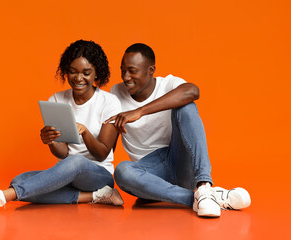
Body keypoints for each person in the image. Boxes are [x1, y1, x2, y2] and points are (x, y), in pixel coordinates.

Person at [0, 40, 124, 216]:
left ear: (97, 74)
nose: (78, 78)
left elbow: (102, 153)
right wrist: (51, 141)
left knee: (74, 163)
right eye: (73, 72)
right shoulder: (57, 100)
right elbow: (63, 153)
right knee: (19, 180)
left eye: (86, 73)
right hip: (66, 173)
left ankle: (1, 197)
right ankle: (94, 196)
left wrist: (86, 133)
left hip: (98, 175)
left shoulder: (109, 102)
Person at [106, 43, 251, 217]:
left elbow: (192, 91)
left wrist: (140, 111)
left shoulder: (167, 84)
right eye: (122, 70)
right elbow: (110, 140)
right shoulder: (116, 92)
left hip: (179, 160)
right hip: (148, 174)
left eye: (132, 70)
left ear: (151, 70)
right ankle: (204, 198)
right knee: (122, 171)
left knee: (186, 106)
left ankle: (204, 184)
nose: (126, 77)